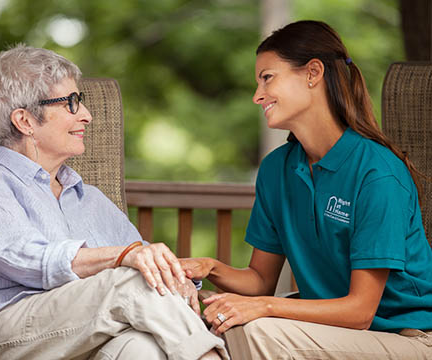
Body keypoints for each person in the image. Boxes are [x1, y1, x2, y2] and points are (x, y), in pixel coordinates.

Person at [0, 44, 228, 360]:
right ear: (25, 121)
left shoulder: (91, 199)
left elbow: (144, 263)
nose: (87, 116)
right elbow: (32, 261)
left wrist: (176, 278)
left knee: (145, 350)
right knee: (132, 281)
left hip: (85, 336)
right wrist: (128, 257)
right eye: (72, 104)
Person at [181, 20, 432, 359]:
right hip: (334, 332)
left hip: (409, 337)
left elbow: (360, 312)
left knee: (254, 327)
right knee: (231, 323)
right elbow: (259, 280)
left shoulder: (377, 172)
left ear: (313, 73)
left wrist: (264, 308)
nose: (257, 96)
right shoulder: (276, 170)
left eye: (267, 78)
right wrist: (208, 267)